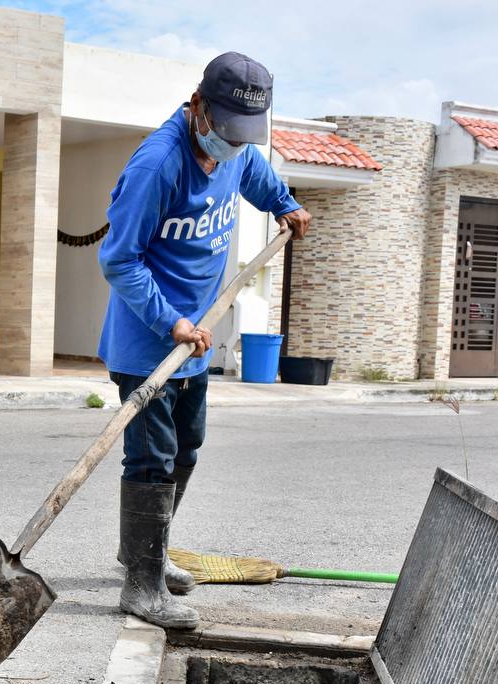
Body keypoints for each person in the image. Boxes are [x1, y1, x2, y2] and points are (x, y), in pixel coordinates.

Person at [97, 52, 312, 630]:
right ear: (198, 107)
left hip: (196, 338)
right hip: (150, 342)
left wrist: (285, 203)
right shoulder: (157, 166)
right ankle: (141, 588)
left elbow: (257, 175)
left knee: (187, 447)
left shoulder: (237, 149)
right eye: (226, 132)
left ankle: (146, 552)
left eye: (246, 136)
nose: (233, 145)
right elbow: (119, 260)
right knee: (151, 457)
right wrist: (171, 322)